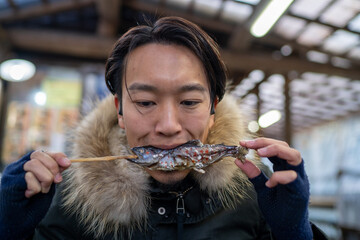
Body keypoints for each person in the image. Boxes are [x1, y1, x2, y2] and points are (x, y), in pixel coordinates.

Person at [0, 16, 327, 240]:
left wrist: (295, 232)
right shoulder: (66, 199)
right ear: (120, 111)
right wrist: (8, 228)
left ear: (213, 111)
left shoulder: (256, 197)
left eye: (189, 102)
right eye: (145, 102)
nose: (169, 126)